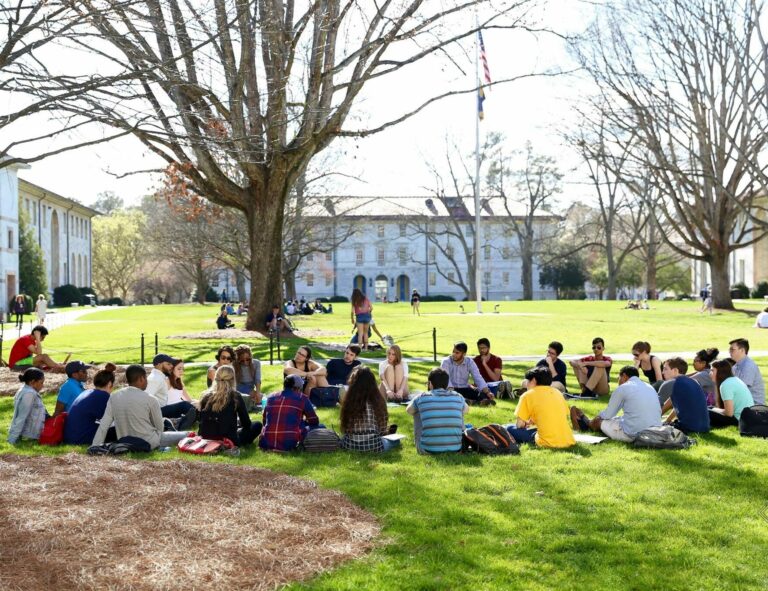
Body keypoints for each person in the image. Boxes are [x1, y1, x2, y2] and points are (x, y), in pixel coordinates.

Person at [92, 365, 190, 449]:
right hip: (149, 442)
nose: (147, 382)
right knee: (188, 435)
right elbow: (159, 428)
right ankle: (177, 425)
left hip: (124, 442)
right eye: (146, 379)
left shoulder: (114, 396)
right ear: (141, 378)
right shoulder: (150, 399)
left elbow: (104, 426)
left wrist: (94, 446)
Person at [570, 366, 661, 443]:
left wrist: (598, 417)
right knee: (617, 418)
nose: (618, 381)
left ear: (624, 376)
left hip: (632, 434)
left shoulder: (623, 387)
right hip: (655, 431)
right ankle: (588, 422)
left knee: (600, 421)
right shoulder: (649, 387)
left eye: (619, 378)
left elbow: (608, 414)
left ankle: (586, 425)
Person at [505, 366, 575, 448]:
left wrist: (525, 424)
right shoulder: (557, 392)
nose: (526, 384)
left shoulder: (527, 395)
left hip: (546, 442)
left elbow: (519, 425)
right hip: (568, 439)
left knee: (508, 427)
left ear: (534, 380)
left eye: (527, 381)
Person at [407, 367, 468, 454]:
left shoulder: (421, 397)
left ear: (430, 384)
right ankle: (452, 440)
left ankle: (426, 442)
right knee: (459, 409)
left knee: (417, 411)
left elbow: (409, 410)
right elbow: (466, 410)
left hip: (427, 449)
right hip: (456, 448)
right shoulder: (458, 396)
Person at [198, 365, 262, 446]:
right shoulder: (235, 396)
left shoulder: (205, 396)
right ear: (233, 380)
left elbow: (202, 420)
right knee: (257, 425)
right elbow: (246, 424)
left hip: (206, 438)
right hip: (228, 440)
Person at [340, 366, 398, 452]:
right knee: (396, 441)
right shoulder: (378, 401)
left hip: (350, 445)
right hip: (374, 446)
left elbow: (345, 428)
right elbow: (382, 429)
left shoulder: (349, 401)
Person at [259, 375, 320, 451]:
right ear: (298, 387)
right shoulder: (302, 398)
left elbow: (265, 421)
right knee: (321, 427)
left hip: (266, 443)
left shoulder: (271, 397)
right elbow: (314, 421)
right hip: (290, 444)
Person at [63, 365, 117, 445]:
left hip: (70, 437)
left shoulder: (87, 392)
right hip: (82, 439)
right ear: (109, 384)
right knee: (121, 429)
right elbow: (113, 419)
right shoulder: (103, 396)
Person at [145, 353, 197, 430]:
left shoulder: (162, 378)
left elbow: (187, 399)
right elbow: (146, 398)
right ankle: (177, 423)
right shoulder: (157, 379)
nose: (170, 366)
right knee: (185, 405)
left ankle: (179, 422)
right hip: (160, 411)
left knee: (194, 407)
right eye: (168, 364)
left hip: (168, 409)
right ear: (159, 365)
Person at [658, 357, 709, 433]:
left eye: (665, 369)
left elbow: (655, 406)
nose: (662, 372)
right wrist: (667, 420)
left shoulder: (670, 383)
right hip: (704, 428)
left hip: (687, 428)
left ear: (675, 370)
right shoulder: (694, 381)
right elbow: (679, 406)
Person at [440, 341, 495, 405]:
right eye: (453, 352)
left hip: (465, 389)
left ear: (464, 354)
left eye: (457, 353)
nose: (454, 354)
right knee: (450, 396)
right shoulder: (446, 361)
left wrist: (488, 392)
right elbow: (446, 378)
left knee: (483, 395)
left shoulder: (469, 362)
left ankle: (469, 401)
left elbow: (477, 377)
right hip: (451, 389)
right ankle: (470, 401)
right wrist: (451, 391)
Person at [709, 359, 755, 428]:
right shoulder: (734, 379)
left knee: (705, 411)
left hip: (738, 421)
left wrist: (714, 409)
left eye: (712, 370)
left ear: (720, 372)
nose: (710, 373)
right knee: (709, 408)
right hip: (746, 419)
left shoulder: (725, 385)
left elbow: (729, 413)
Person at [7, 367, 47, 444]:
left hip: (30, 435)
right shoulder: (29, 394)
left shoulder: (25, 390)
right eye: (41, 382)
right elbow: (21, 416)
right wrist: (12, 439)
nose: (43, 385)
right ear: (32, 382)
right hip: (29, 437)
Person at [728, 338, 765, 404]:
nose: (729, 352)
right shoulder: (735, 366)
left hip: (754, 407)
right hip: (743, 404)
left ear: (742, 350)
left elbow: (741, 390)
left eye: (732, 350)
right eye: (729, 349)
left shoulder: (749, 366)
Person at [233, 344, 262, 411]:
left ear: (251, 356)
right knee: (253, 398)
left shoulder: (256, 363)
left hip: (250, 388)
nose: (245, 362)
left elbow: (257, 379)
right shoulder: (234, 365)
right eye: (242, 360)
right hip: (239, 387)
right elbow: (235, 384)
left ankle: (251, 401)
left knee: (260, 397)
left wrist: (258, 392)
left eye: (248, 359)